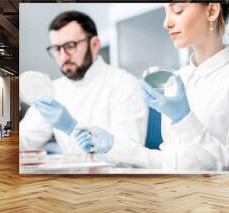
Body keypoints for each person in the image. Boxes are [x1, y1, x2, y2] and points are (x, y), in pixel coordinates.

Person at [74, 3, 229, 171]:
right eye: (165, 11)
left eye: (177, 10)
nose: (166, 23)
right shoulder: (179, 78)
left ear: (211, 11)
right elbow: (170, 162)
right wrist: (113, 146)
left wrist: (184, 120)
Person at [20, 11, 148, 156]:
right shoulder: (54, 89)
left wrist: (72, 128)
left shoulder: (125, 85)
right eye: (56, 49)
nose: (62, 56)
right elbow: (25, 139)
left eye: (70, 46)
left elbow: (129, 156)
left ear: (94, 44)